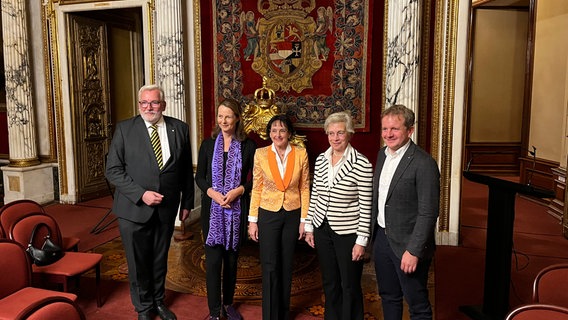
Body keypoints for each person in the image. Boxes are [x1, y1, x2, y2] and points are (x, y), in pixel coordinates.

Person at [105, 84, 194, 320]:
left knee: (159, 259)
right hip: (133, 209)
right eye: (144, 103)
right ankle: (143, 308)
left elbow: (185, 170)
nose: (149, 107)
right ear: (139, 105)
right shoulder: (125, 129)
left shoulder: (180, 129)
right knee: (138, 263)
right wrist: (140, 194)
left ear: (163, 105)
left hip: (167, 208)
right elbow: (112, 170)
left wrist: (187, 202)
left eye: (154, 102)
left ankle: (158, 301)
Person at [371, 105, 440, 320]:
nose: (388, 134)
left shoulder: (424, 163)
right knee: (388, 295)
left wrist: (414, 250)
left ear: (410, 131)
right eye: (384, 129)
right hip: (382, 238)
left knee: (417, 303)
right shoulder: (382, 154)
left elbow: (428, 212)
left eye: (395, 129)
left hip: (408, 244)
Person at [304, 112, 373, 320]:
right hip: (322, 229)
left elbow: (366, 206)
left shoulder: (362, 164)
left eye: (340, 133)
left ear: (349, 134)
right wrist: (309, 226)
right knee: (330, 282)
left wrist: (361, 241)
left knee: (350, 284)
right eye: (331, 133)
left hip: (348, 233)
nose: (335, 138)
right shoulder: (321, 160)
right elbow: (315, 194)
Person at [195, 99, 256, 320]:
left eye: (228, 116)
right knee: (212, 263)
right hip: (212, 211)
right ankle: (213, 310)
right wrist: (211, 193)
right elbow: (199, 177)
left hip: (236, 210)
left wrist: (238, 190)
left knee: (231, 262)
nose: (223, 121)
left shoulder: (249, 146)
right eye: (220, 116)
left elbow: (255, 180)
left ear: (237, 118)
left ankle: (228, 304)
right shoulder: (208, 145)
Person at [247, 114, 310, 320]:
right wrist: (252, 221)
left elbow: (304, 188)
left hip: (293, 214)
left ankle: (283, 314)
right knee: (270, 265)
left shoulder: (301, 154)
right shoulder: (260, 154)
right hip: (267, 214)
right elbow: (256, 188)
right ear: (269, 133)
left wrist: (304, 220)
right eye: (274, 130)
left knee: (286, 265)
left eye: (282, 130)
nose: (278, 134)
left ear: (289, 133)